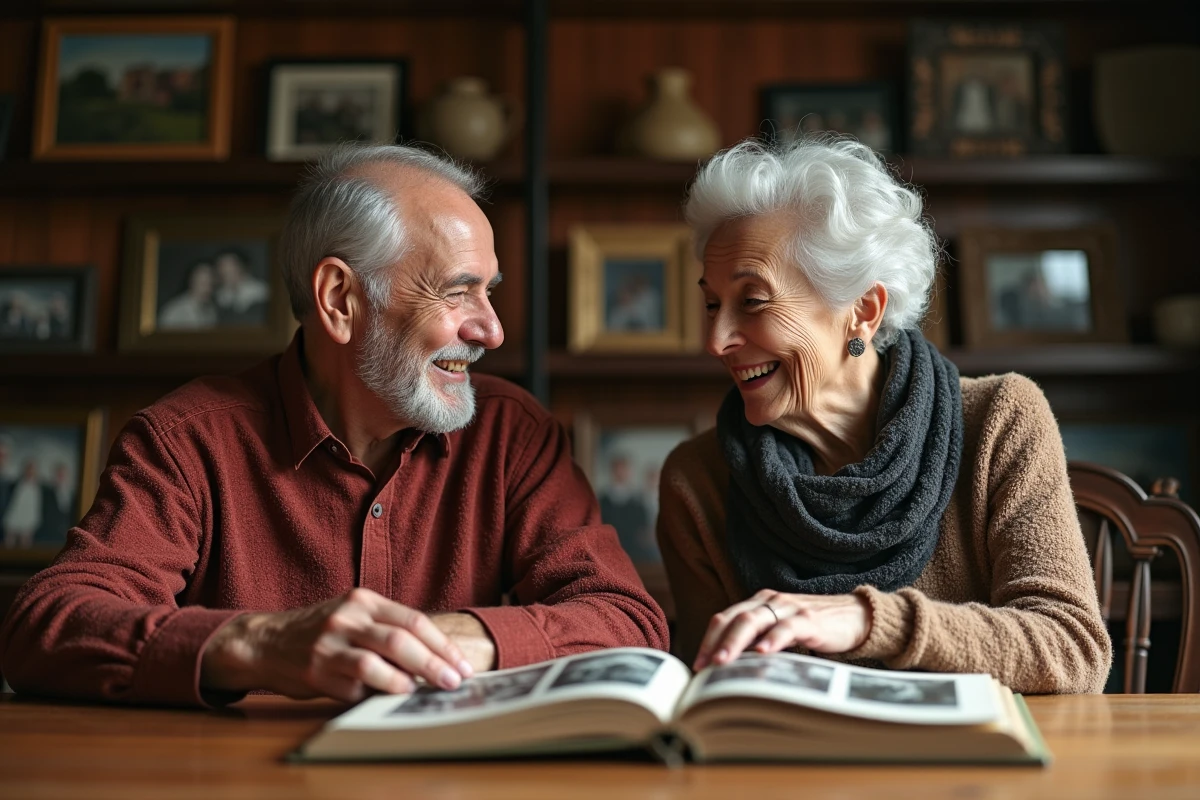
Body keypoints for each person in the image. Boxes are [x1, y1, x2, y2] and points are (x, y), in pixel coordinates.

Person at [0, 143, 667, 707]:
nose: (491, 330)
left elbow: (628, 620)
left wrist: (458, 640)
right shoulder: (186, 440)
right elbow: (46, 627)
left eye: (488, 291)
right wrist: (260, 643)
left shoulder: (513, 434)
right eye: (457, 290)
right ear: (340, 299)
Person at [657, 136, 1110, 694]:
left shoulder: (999, 418)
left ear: (863, 311)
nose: (716, 339)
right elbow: (715, 692)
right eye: (711, 303)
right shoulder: (698, 482)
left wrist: (866, 620)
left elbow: (1071, 647)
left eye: (752, 301)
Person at [213, 248, 270, 325]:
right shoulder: (219, 295)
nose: (223, 270)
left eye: (228, 265)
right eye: (220, 266)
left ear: (241, 266)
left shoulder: (261, 290)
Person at [158, 260, 219, 330]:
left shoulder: (212, 309)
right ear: (191, 282)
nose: (207, 289)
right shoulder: (174, 311)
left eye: (210, 283)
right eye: (203, 283)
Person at [2, 461, 42, 549]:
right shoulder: (16, 484)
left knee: (25, 544)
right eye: (29, 469)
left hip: (28, 519)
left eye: (32, 470)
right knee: (9, 542)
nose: (30, 472)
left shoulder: (38, 487)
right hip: (14, 516)